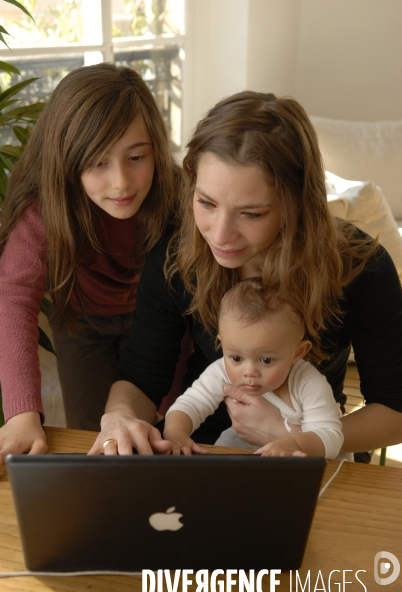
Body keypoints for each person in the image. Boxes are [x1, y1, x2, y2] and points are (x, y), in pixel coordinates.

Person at [88, 91, 402, 460]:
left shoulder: (360, 267)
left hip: (320, 452)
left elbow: (394, 410)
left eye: (251, 214)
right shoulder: (176, 258)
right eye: (206, 203)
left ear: (297, 203)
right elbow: (141, 378)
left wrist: (295, 437)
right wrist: (120, 419)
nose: (218, 235)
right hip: (200, 447)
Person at [0, 63, 179, 463]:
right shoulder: (43, 212)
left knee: (170, 430)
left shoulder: (178, 197)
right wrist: (20, 415)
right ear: (66, 158)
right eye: (98, 162)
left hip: (161, 323)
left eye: (136, 157)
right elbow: (14, 301)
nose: (121, 182)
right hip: (82, 324)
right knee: (92, 434)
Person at [164, 278, 345, 459]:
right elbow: (191, 403)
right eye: (236, 358)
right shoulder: (221, 371)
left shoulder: (308, 383)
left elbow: (331, 437)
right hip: (249, 445)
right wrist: (176, 432)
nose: (249, 371)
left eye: (266, 360)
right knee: (223, 448)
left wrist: (294, 443)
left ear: (298, 352)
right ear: (222, 342)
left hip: (313, 458)